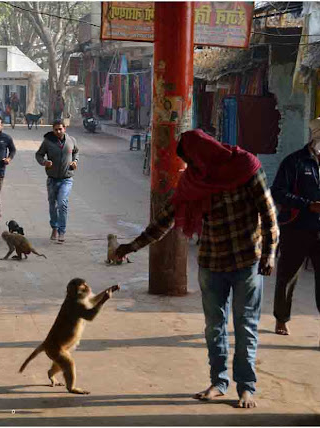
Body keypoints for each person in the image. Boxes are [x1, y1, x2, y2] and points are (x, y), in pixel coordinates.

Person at [116, 129, 279, 408]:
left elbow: (268, 212)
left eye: (191, 160)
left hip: (246, 261)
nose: (190, 167)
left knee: (245, 326)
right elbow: (165, 219)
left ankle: (246, 387)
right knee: (214, 327)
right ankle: (218, 382)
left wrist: (269, 254)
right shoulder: (194, 180)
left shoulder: (247, 168)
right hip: (212, 262)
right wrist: (132, 246)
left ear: (203, 153)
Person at [271, 117, 320, 348]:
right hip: (297, 227)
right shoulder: (294, 162)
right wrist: (307, 204)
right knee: (288, 275)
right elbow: (278, 192)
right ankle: (282, 318)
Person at [35, 119, 80, 243]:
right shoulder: (47, 142)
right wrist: (44, 162)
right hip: (52, 179)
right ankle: (54, 227)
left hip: (66, 178)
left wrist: (75, 162)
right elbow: (38, 155)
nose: (58, 131)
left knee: (62, 203)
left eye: (60, 129)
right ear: (53, 130)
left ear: (64, 128)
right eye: (56, 129)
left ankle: (62, 231)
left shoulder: (71, 141)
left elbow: (76, 152)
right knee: (52, 205)